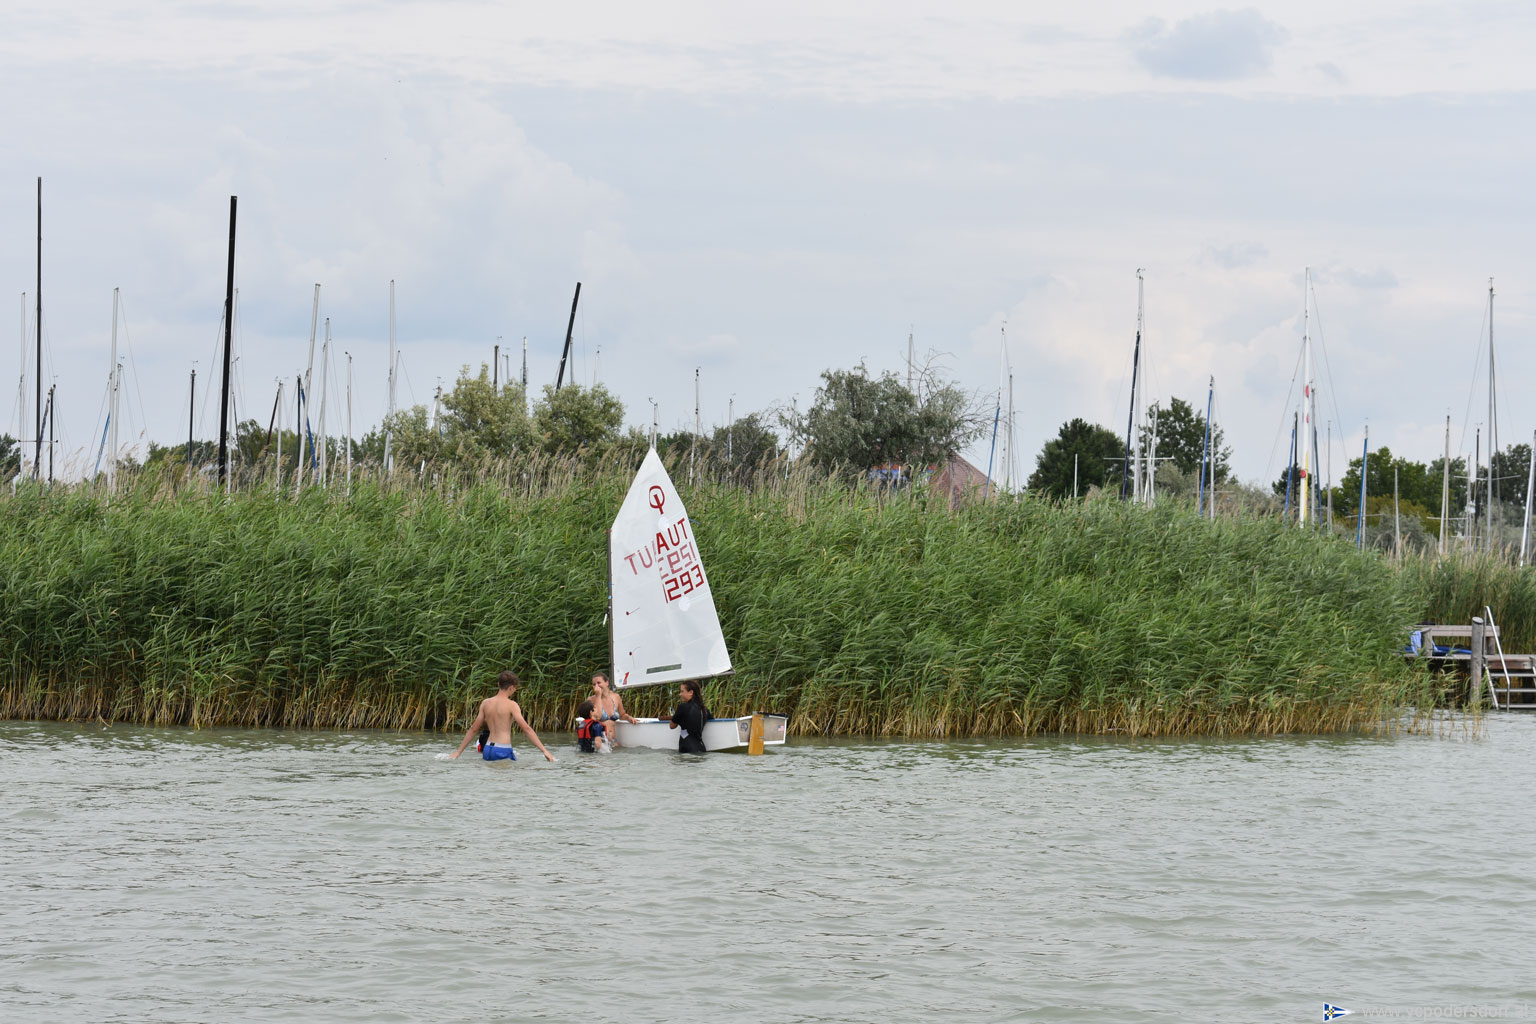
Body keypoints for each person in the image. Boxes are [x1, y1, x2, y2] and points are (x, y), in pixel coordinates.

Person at [450, 671, 556, 762]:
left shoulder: (485, 703)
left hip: (487, 748)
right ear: (511, 687)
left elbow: (474, 729)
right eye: (515, 688)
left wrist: (458, 752)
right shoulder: (512, 705)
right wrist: (544, 750)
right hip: (502, 749)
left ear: (498, 684)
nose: (515, 690)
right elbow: (526, 729)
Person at [589, 671, 639, 747]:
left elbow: (622, 715)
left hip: (614, 742)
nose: (596, 686)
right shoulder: (591, 700)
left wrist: (629, 718)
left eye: (599, 683)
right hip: (600, 744)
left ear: (607, 683)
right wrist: (598, 696)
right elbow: (596, 718)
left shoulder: (616, 697)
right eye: (594, 684)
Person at [666, 680, 710, 754]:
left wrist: (678, 718)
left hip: (687, 749)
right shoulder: (704, 710)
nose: (680, 694)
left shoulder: (682, 707)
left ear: (691, 692)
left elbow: (672, 726)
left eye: (682, 691)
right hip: (701, 748)